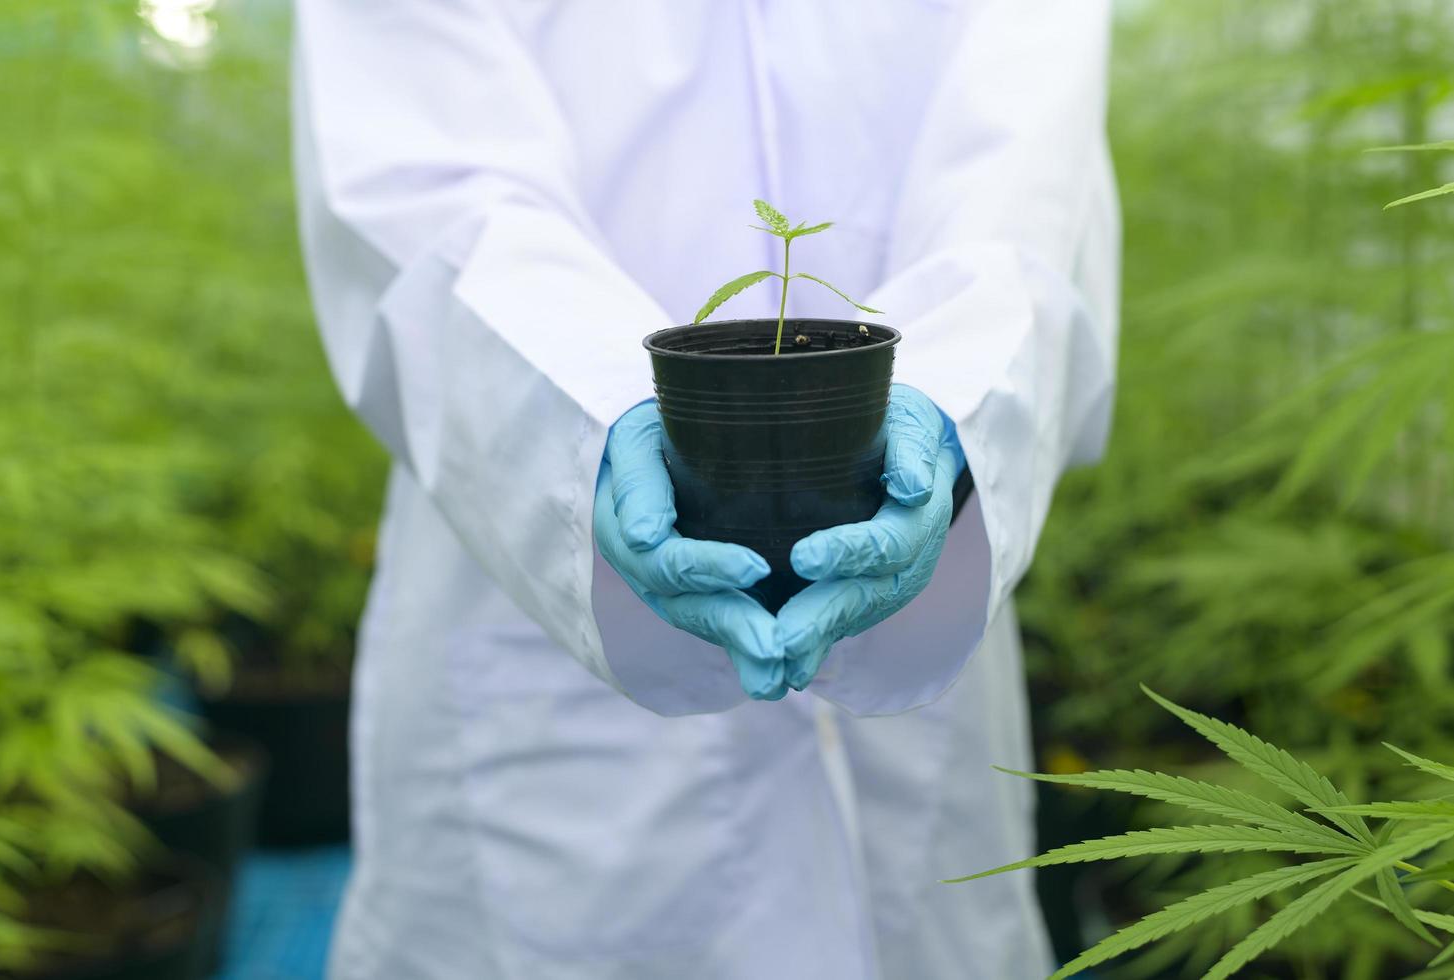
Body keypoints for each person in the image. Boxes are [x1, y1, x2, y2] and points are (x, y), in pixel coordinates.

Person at [292, 1, 1118, 977]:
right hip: (543, 660)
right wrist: (589, 426)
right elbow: (423, 185)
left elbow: (1025, 173)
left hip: (918, 673)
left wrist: (952, 402)